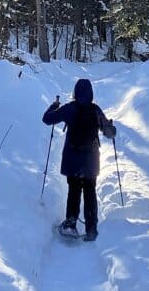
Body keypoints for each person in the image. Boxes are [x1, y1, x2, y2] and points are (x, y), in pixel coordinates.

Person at [42, 77, 117, 241]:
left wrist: (54, 106)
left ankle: (70, 224)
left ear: (75, 92)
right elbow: (109, 133)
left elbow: (47, 119)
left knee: (74, 189)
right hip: (91, 160)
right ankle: (91, 229)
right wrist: (111, 127)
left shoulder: (70, 108)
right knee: (90, 191)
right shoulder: (96, 110)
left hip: (73, 158)